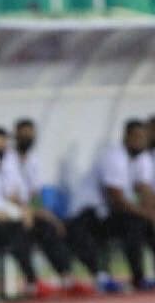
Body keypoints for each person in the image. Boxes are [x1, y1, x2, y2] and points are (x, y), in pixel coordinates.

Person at [0, 126, 80, 298]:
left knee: (44, 227)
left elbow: (16, 197)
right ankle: (32, 282)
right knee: (17, 231)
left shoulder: (7, 168)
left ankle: (66, 277)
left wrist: (28, 212)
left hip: (7, 219)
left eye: (3, 145)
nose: (0, 148)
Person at [4, 119, 92, 295]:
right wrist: (27, 211)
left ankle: (67, 277)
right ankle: (31, 282)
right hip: (10, 213)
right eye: (24, 134)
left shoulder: (33, 161)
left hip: (30, 212)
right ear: (15, 135)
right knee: (21, 233)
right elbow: (9, 194)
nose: (28, 138)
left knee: (49, 228)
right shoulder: (6, 160)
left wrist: (43, 214)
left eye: (30, 135)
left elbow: (34, 194)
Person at [66, 120, 155, 291]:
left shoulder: (140, 159)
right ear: (126, 137)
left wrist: (151, 213)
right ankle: (137, 277)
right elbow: (117, 199)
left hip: (107, 213)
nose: (141, 142)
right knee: (135, 223)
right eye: (137, 137)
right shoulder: (114, 157)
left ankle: (140, 277)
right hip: (85, 213)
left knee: (144, 223)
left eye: (144, 138)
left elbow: (145, 190)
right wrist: (148, 215)